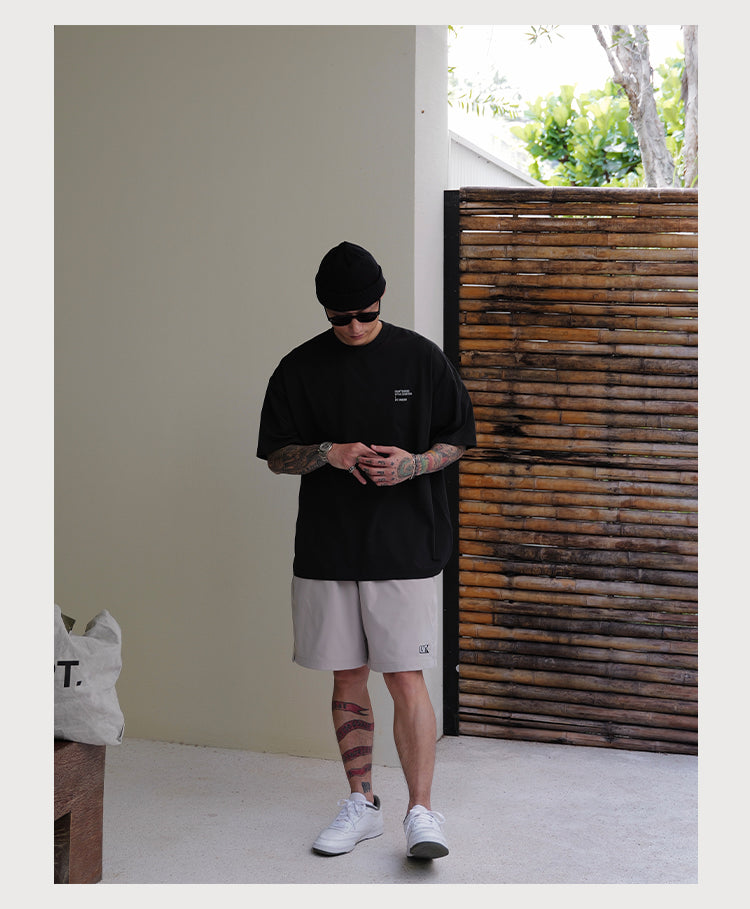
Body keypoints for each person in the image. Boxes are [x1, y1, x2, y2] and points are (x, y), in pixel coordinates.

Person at [256, 241, 475, 859]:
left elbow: (460, 437)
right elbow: (276, 455)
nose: (353, 326)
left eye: (365, 314)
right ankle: (362, 804)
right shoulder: (299, 367)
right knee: (347, 675)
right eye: (340, 316)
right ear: (324, 308)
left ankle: (421, 812)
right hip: (327, 548)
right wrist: (329, 452)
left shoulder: (420, 358)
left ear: (381, 298)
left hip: (405, 545)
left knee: (404, 675)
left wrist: (413, 464)